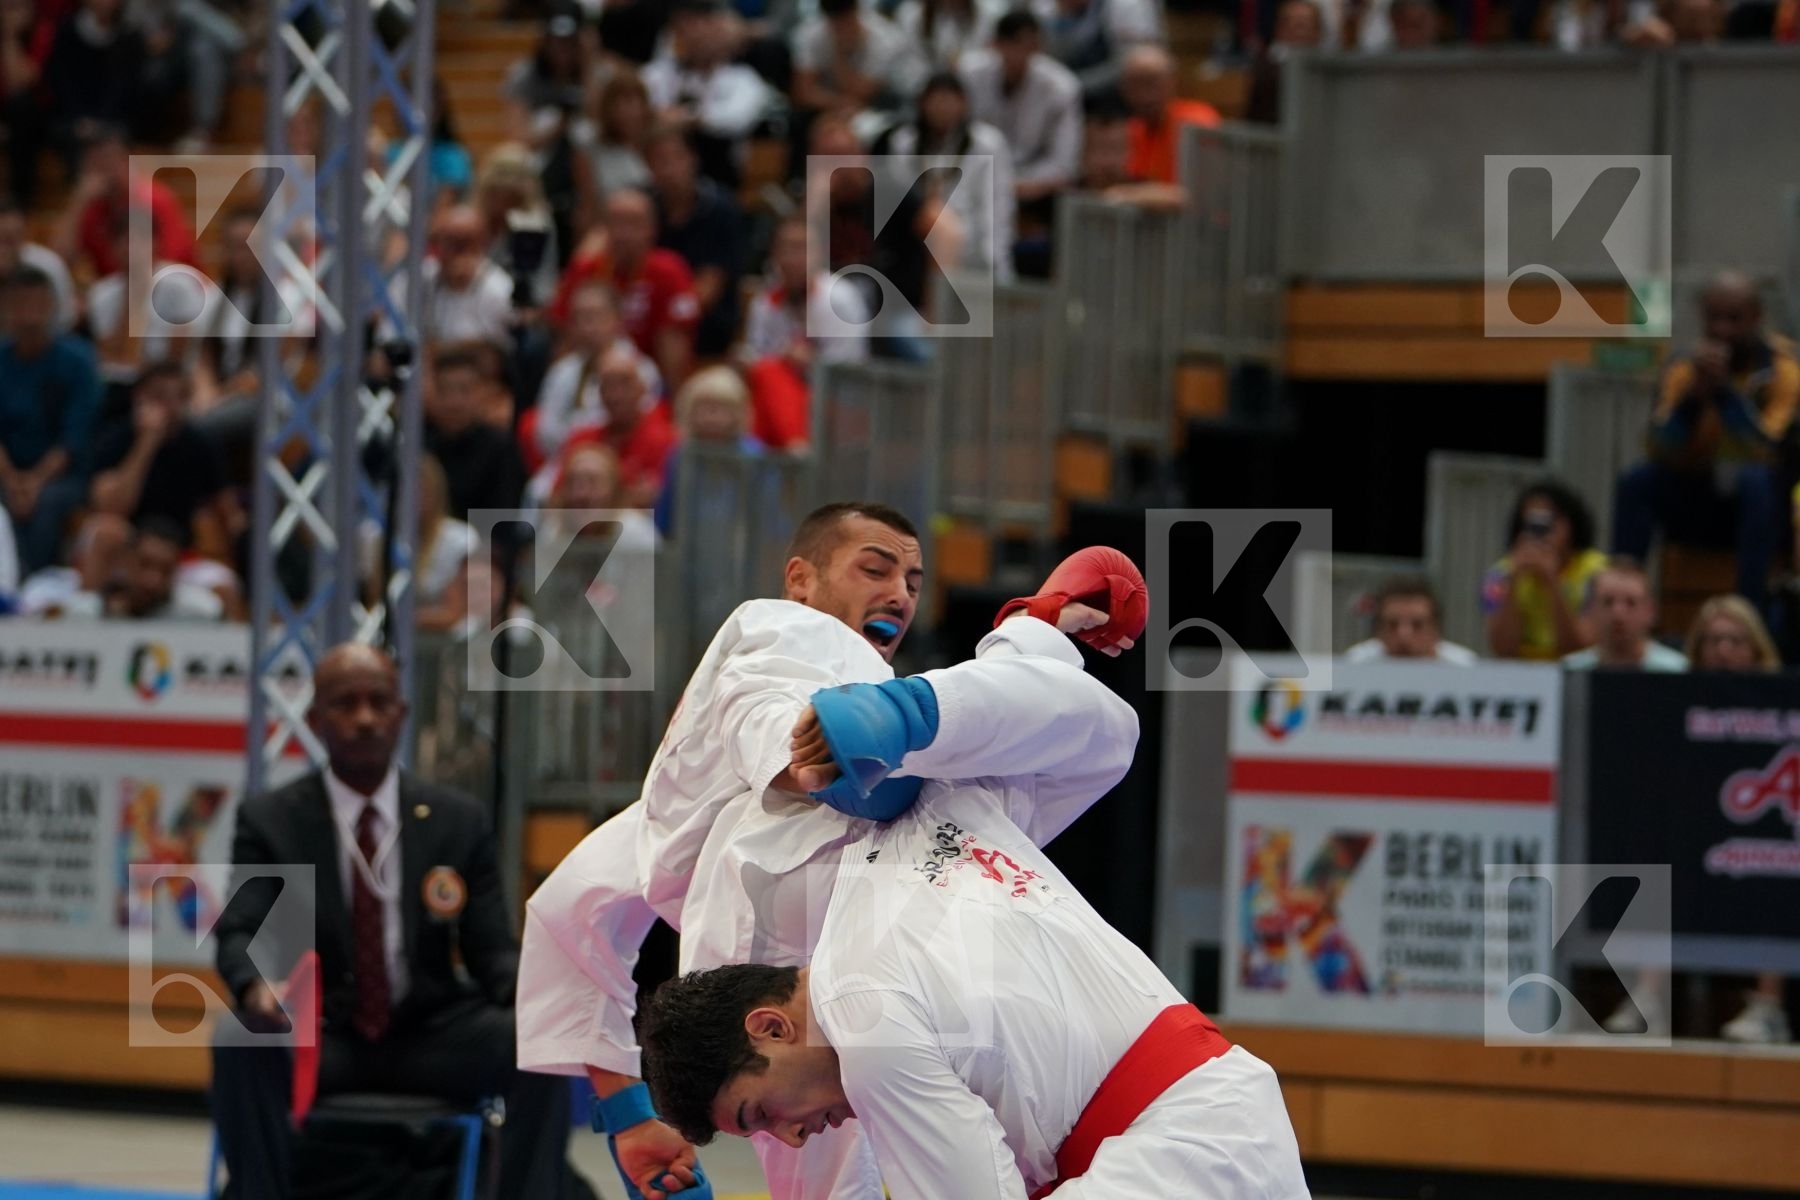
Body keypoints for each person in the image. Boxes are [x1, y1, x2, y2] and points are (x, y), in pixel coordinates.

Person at [518, 504, 1141, 1200]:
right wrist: (821, 758)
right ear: (802, 580)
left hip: (857, 985)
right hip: (831, 1003)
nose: (900, 593)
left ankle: (1025, 639)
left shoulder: (715, 808)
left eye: (913, 579)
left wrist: (628, 1115)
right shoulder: (784, 630)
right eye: (874, 568)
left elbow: (570, 910)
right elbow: (770, 706)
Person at [635, 720, 1303, 1199]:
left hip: (1176, 1156)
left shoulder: (867, 1033)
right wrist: (1035, 628)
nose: (791, 1140)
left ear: (770, 1027)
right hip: (1224, 1113)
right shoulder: (917, 822)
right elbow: (1084, 718)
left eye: (760, 1115)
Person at [210, 643, 592, 1199]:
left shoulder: (456, 820)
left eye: (378, 702)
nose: (364, 718)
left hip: (431, 1034)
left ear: (401, 714)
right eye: (345, 705)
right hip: (327, 1036)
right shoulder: (272, 820)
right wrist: (255, 987)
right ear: (315, 720)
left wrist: (536, 995)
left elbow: (492, 953)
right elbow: (239, 930)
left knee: (536, 1039)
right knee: (239, 1037)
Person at [1613, 272, 1798, 616]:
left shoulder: (1784, 369)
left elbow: (1769, 447)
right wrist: (1692, 402)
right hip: (1697, 500)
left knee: (1757, 480)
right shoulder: (1684, 369)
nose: (1722, 329)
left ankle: (1748, 613)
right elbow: (1658, 447)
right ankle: (1621, 598)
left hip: (1764, 514)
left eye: (1734, 318)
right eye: (1714, 318)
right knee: (1637, 480)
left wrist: (1726, 394)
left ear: (1756, 318)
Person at [1680, 595, 1791, 1044]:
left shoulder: (1781, 704)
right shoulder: (1671, 703)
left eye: (1735, 640)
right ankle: (1646, 996)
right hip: (1697, 841)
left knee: (1780, 869)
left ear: (1756, 649)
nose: (1723, 650)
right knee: (1656, 858)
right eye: (1713, 640)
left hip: (1761, 840)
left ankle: (1768, 1007)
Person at [0, 264, 103, 576]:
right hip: (8, 471)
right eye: (21, 305)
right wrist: (12, 480)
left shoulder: (78, 361)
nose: (30, 316)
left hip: (63, 475)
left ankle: (36, 586)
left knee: (46, 503)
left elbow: (73, 439)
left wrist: (33, 482)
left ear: (53, 308)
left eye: (38, 305)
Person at [740, 213, 869, 452]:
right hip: (781, 393)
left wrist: (807, 363)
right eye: (785, 249)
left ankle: (784, 455)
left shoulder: (840, 299)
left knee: (769, 379)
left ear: (818, 254)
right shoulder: (764, 302)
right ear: (774, 256)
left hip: (836, 399)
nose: (792, 259)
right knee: (763, 381)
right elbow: (755, 357)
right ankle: (792, 450)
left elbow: (849, 367)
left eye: (801, 249)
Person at [875, 71, 1016, 285]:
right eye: (936, 101)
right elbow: (897, 202)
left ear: (964, 104)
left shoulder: (988, 144)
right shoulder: (904, 142)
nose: (942, 108)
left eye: (949, 101)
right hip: (918, 245)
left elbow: (997, 208)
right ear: (922, 104)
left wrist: (996, 264)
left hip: (972, 248)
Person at [552, 188, 701, 390]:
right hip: (590, 369)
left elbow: (678, 338)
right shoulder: (586, 269)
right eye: (617, 223)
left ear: (652, 229)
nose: (624, 234)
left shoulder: (669, 270)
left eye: (634, 224)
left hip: (650, 375)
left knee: (674, 338)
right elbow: (565, 334)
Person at [960, 11, 1084, 210]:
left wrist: (1012, 186)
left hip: (1033, 186)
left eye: (1032, 45)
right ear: (996, 44)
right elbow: (957, 135)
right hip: (974, 178)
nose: (1023, 53)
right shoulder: (969, 74)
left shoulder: (1062, 86)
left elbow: (1064, 163)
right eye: (1015, 43)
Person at [642, 0, 772, 189]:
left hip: (718, 173)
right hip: (656, 169)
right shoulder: (656, 74)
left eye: (705, 27)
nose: (697, 35)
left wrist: (690, 118)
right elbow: (646, 110)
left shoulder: (743, 78)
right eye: (686, 28)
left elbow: (736, 119)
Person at [645, 122, 745, 359]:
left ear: (693, 159)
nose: (670, 168)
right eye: (660, 160)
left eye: (677, 158)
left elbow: (708, 289)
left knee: (671, 333)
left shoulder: (721, 210)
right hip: (649, 315)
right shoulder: (642, 205)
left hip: (705, 323)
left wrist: (665, 319)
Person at [1482, 480, 1606, 661]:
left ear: (1570, 524)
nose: (1541, 534)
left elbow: (1580, 648)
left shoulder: (1598, 572)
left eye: (1548, 523)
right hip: (1522, 674)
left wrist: (1552, 582)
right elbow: (1502, 648)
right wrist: (1514, 581)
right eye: (1531, 524)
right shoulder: (1498, 575)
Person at [425, 343, 527, 520]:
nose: (453, 402)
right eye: (445, 390)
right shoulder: (419, 445)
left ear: (481, 393)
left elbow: (501, 527)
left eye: (464, 390)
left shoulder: (499, 449)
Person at [790, 0, 928, 132]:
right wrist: (839, 104)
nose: (842, 28)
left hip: (877, 104)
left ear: (856, 12)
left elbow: (859, 94)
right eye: (836, 23)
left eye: (847, 21)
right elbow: (803, 92)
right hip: (830, 105)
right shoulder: (809, 34)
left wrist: (840, 55)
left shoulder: (885, 39)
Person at [1118, 44, 1219, 187]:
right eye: (1136, 84)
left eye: (1152, 82)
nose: (1145, 94)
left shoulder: (1196, 121)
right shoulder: (1132, 129)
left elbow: (1200, 189)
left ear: (1172, 81)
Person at [1561, 559, 1688, 671]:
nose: (1618, 614)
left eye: (1631, 603)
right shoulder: (1570, 671)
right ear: (1589, 609)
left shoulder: (1677, 670)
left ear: (1651, 611)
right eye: (1608, 602)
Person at [91, 515, 224, 621]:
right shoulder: (89, 612)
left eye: (166, 570)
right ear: (126, 560)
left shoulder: (201, 615)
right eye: (145, 564)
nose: (153, 581)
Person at [1032, 0, 1162, 99]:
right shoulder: (1055, 10)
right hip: (1072, 91)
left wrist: (1076, 85)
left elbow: (1130, 65)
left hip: (1118, 95)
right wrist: (1060, 20)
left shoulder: (1125, 5)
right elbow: (1048, 60)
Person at [1344, 575, 1477, 663]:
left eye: (1417, 625)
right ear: (1378, 631)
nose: (1404, 635)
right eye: (1393, 625)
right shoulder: (1356, 663)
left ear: (1437, 630)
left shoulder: (1464, 668)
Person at [0, 198, 76, 335]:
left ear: (23, 237)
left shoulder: (49, 267)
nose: (3, 249)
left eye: (9, 240)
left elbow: (63, 325)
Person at [895, 0, 998, 69]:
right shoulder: (912, 15)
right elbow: (907, 62)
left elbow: (990, 58)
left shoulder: (986, 16)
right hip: (926, 86)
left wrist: (963, 64)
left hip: (971, 83)